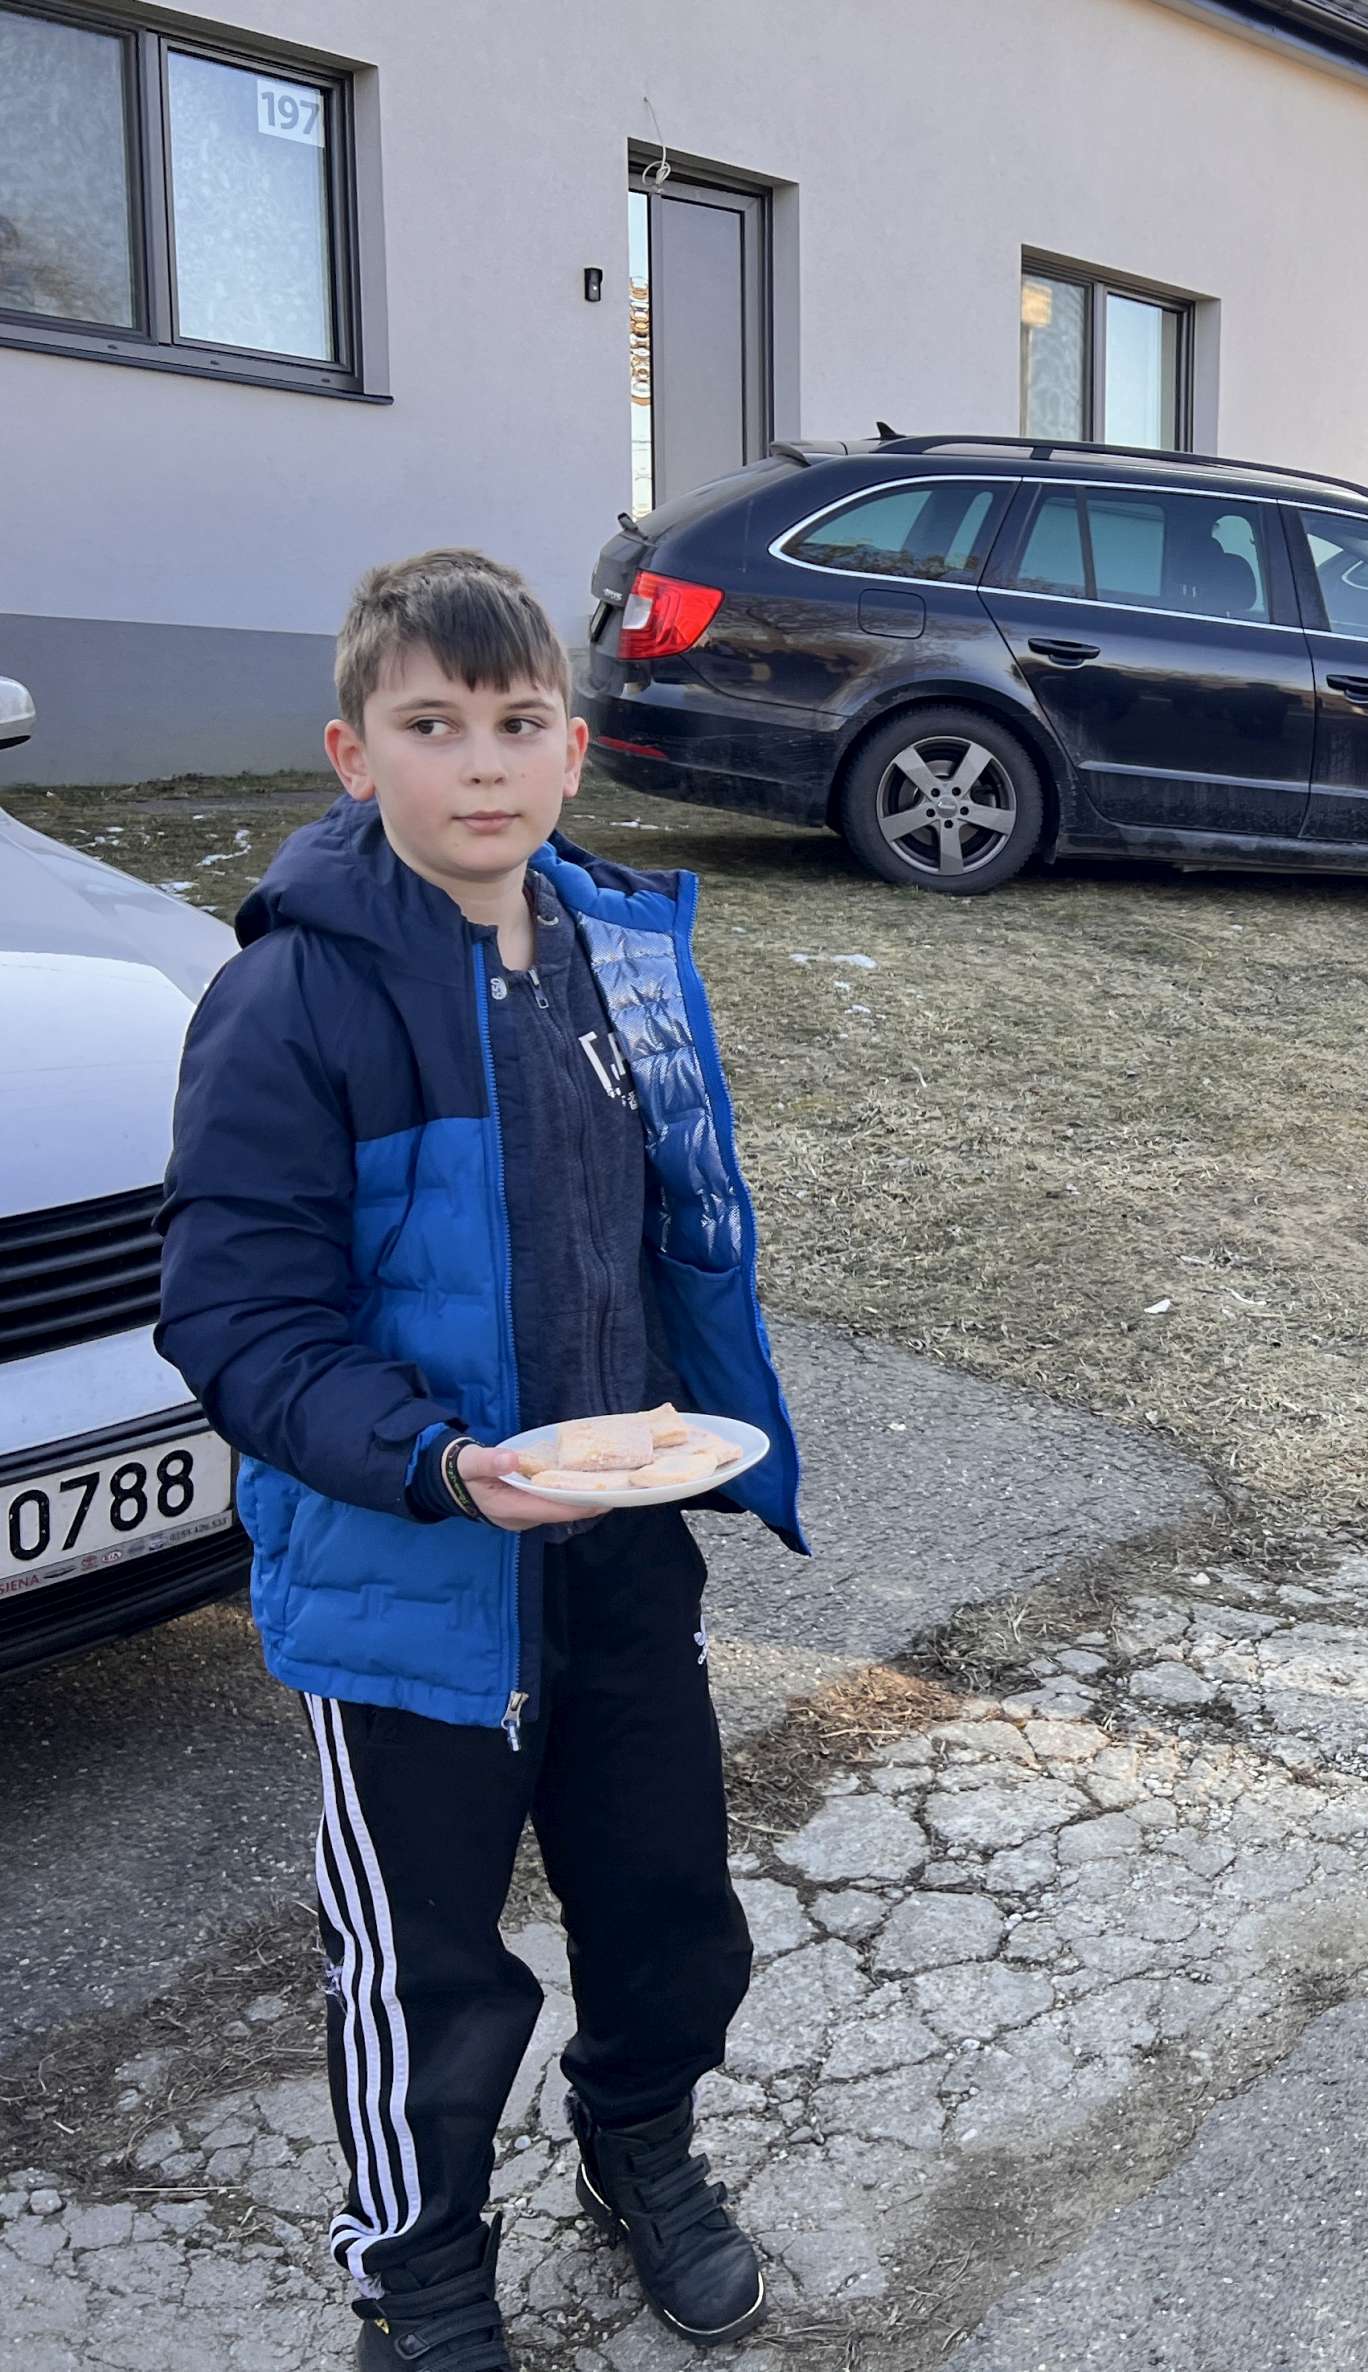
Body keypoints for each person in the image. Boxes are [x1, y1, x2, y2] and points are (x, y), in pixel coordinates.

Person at [158, 551, 806, 2370]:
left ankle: (640, 2145)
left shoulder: (620, 955)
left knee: (668, 1906)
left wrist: (695, 1418)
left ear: (573, 749)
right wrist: (441, 1466)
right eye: (432, 727)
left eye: (519, 724)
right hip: (412, 1573)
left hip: (618, 1544)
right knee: (427, 1965)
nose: (482, 766)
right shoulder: (296, 999)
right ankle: (422, 2272)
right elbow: (239, 1318)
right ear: (353, 753)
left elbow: (673, 1230)